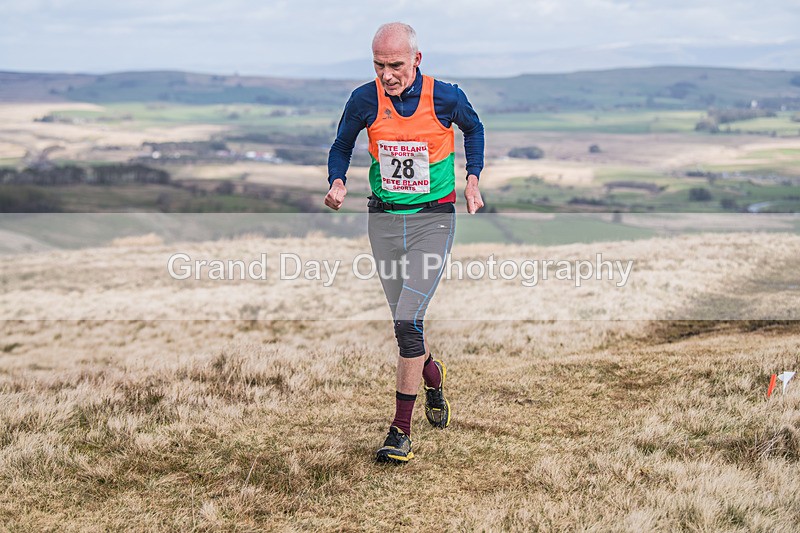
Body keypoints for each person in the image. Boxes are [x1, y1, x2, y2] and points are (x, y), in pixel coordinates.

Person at [324, 22, 485, 464]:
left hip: (433, 220)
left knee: (406, 320)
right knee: (404, 322)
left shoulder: (446, 96)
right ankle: (433, 376)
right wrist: (337, 180)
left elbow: (474, 129)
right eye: (378, 65)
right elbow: (341, 144)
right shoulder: (364, 99)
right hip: (384, 221)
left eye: (395, 64)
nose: (387, 74)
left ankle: (400, 431)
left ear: (417, 59)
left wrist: (472, 181)